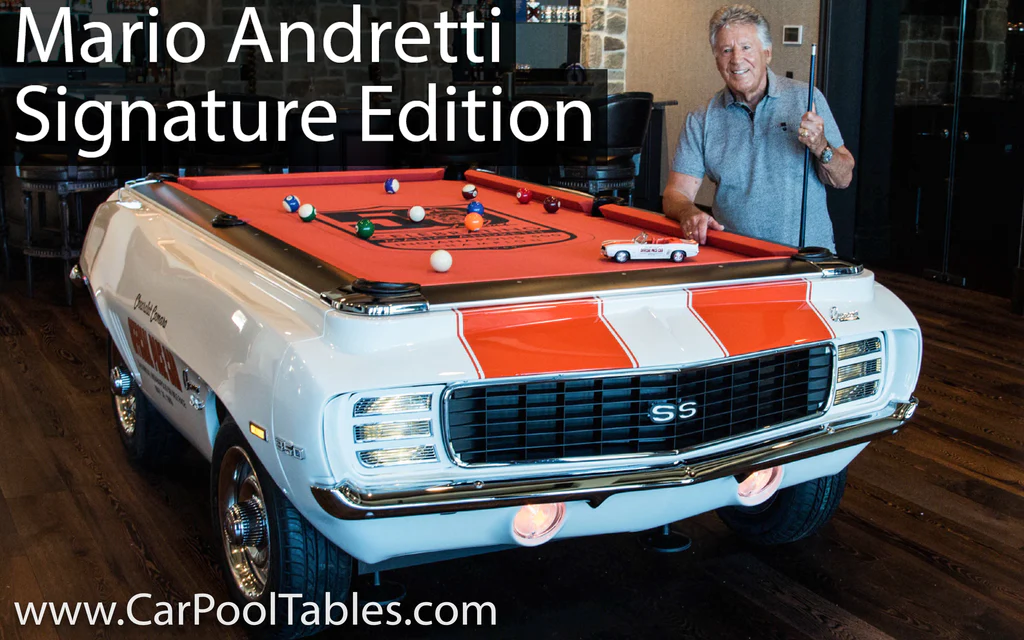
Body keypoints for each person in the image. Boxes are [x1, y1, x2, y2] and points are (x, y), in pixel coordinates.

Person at [664, 4, 855, 251]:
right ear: (716, 60)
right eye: (726, 50)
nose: (736, 59)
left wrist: (820, 146)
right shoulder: (701, 118)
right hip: (735, 256)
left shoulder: (807, 99)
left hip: (807, 257)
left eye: (746, 47)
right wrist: (688, 212)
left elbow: (843, 178)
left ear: (767, 53)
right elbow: (675, 194)